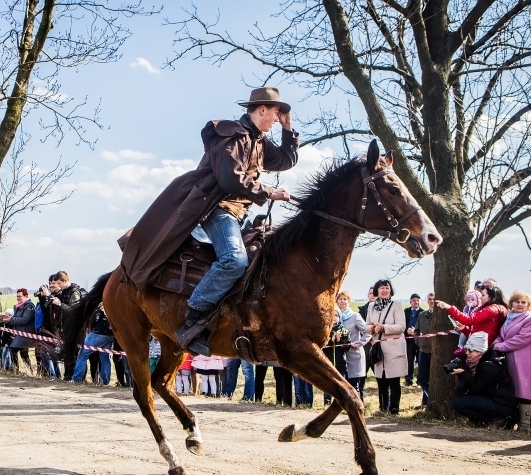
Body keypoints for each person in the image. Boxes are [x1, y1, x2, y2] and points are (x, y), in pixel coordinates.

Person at [120, 87, 298, 356]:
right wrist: (268, 192)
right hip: (217, 210)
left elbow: (286, 160)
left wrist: (288, 128)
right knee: (234, 260)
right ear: (262, 109)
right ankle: (193, 318)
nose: (276, 118)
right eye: (275, 113)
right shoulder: (232, 135)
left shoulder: (258, 141)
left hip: (239, 214)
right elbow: (230, 178)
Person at [492, 291, 531, 430]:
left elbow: (522, 339)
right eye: (517, 301)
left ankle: (525, 425)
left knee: (524, 391)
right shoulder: (509, 318)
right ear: (511, 303)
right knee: (511, 390)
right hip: (508, 357)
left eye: (523, 302)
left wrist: (500, 346)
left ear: (528, 305)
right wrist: (496, 342)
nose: (520, 304)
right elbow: (501, 334)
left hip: (522, 359)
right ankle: (510, 422)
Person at [451, 332, 516, 427]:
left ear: (480, 351)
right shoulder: (481, 360)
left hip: (501, 404)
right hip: (493, 397)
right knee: (461, 390)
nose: (467, 353)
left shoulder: (489, 366)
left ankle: (490, 420)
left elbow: (476, 388)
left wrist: (463, 373)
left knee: (458, 404)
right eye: (466, 349)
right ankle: (481, 420)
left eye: (471, 350)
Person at [365, 279, 407, 414]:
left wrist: (383, 327)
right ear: (377, 290)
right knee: (380, 381)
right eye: (381, 288)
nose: (384, 290)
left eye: (387, 288)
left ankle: (394, 410)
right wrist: (371, 328)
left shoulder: (397, 305)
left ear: (390, 290)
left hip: (393, 348)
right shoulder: (371, 306)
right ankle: (383, 409)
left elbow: (401, 326)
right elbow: (366, 325)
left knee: (394, 381)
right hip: (378, 349)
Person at [436, 285, 508, 349]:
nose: (480, 297)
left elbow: (468, 320)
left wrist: (449, 307)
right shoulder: (499, 309)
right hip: (483, 346)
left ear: (492, 297)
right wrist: (464, 329)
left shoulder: (490, 310)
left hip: (479, 349)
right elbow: (478, 332)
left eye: (483, 295)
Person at [337, 291, 370, 400]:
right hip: (340, 357)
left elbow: (368, 332)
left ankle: (359, 408)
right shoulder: (334, 318)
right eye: (340, 299)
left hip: (354, 355)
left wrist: (359, 343)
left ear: (349, 302)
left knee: (355, 387)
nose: (342, 301)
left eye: (345, 299)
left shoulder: (355, 316)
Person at [72, 302, 115, 385]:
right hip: (109, 335)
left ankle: (77, 379)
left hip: (97, 333)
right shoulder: (114, 304)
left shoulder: (101, 305)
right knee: (105, 358)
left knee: (82, 355)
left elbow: (93, 319)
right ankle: (105, 382)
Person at [1, 288, 35, 373]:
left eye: (20, 296)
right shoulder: (16, 307)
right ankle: (20, 370)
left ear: (26, 296)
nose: (18, 298)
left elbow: (25, 320)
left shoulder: (29, 306)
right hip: (18, 333)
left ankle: (20, 370)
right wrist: (7, 320)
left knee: (16, 350)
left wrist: (11, 319)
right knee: (21, 353)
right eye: (17, 296)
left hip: (26, 333)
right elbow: (15, 318)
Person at [323, 309, 350, 405]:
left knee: (340, 383)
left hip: (340, 362)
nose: (334, 317)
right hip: (328, 362)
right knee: (328, 383)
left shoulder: (344, 331)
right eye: (332, 315)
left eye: (336, 315)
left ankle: (340, 403)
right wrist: (331, 340)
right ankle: (327, 402)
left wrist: (340, 340)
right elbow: (322, 346)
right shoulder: (325, 331)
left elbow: (347, 348)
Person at [414, 292, 436, 407]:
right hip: (423, 350)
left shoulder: (441, 315)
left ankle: (429, 402)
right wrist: (419, 341)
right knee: (423, 378)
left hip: (435, 352)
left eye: (434, 299)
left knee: (433, 378)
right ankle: (426, 400)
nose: (432, 301)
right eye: (430, 299)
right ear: (427, 300)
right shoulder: (422, 315)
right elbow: (416, 331)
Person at [404, 293, 424, 386]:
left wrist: (415, 331)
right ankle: (408, 379)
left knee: (420, 361)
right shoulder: (406, 312)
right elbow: (402, 323)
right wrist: (407, 330)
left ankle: (419, 380)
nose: (416, 302)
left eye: (417, 300)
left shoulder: (423, 312)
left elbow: (424, 326)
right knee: (409, 360)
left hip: (419, 340)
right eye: (414, 300)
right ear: (410, 302)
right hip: (408, 340)